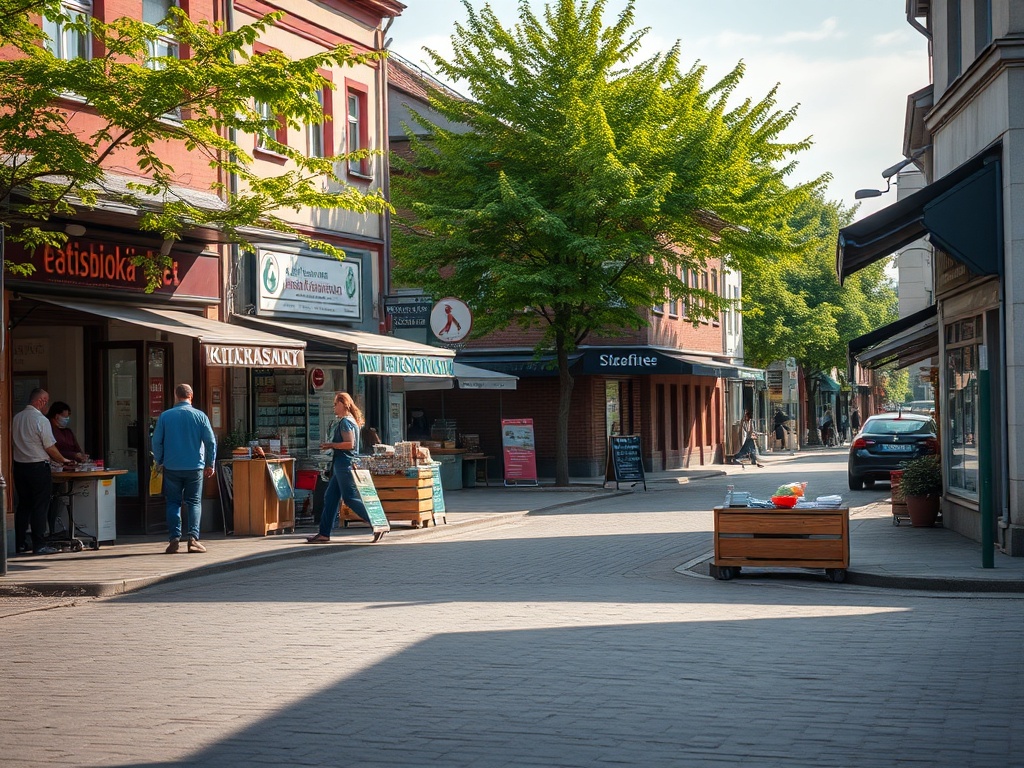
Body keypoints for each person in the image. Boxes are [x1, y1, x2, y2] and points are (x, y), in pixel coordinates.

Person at [308, 392, 382, 543]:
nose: (334, 407)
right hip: (340, 464)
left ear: (344, 404)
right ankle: (324, 533)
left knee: (349, 497)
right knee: (330, 497)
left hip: (344, 463)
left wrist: (331, 445)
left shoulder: (346, 422)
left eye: (336, 404)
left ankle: (377, 523)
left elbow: (350, 444)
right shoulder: (350, 421)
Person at [152, 383, 216, 554]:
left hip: (172, 466)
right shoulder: (200, 416)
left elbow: (156, 441)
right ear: (191, 396)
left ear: (176, 395)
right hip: (195, 466)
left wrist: (160, 460)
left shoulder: (165, 416)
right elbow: (210, 442)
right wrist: (210, 463)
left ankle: (174, 538)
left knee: (173, 502)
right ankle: (193, 539)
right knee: (194, 502)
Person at [12, 388, 74, 555]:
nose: (47, 406)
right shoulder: (41, 420)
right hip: (38, 467)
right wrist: (64, 460)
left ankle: (20, 543)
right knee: (41, 505)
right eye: (46, 402)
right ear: (40, 401)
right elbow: (49, 447)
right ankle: (39, 544)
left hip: (19, 467)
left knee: (24, 505)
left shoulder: (16, 418)